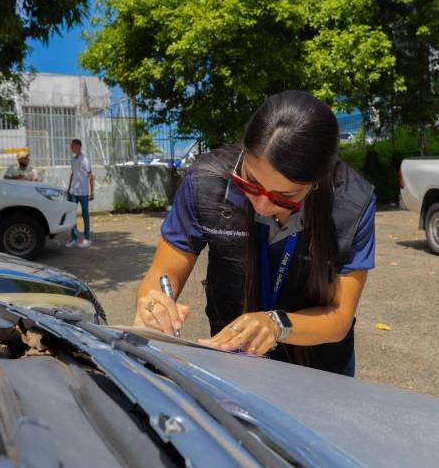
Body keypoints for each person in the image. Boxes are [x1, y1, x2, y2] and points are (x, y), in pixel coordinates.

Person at [134, 91, 376, 376]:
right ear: (244, 151)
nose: (261, 204)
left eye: (285, 197)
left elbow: (339, 317)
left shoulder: (353, 201)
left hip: (319, 371)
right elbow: (163, 273)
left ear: (318, 181)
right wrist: (154, 304)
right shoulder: (205, 182)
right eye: (249, 183)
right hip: (234, 362)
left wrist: (276, 324)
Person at [66, 139, 94, 249]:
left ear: (78, 146)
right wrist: (69, 188)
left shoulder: (85, 159)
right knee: (72, 216)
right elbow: (73, 174)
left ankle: (87, 238)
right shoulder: (73, 159)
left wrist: (92, 192)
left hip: (83, 193)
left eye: (72, 146)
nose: (71, 148)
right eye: (71, 146)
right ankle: (74, 238)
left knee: (85, 215)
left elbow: (91, 176)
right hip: (73, 192)